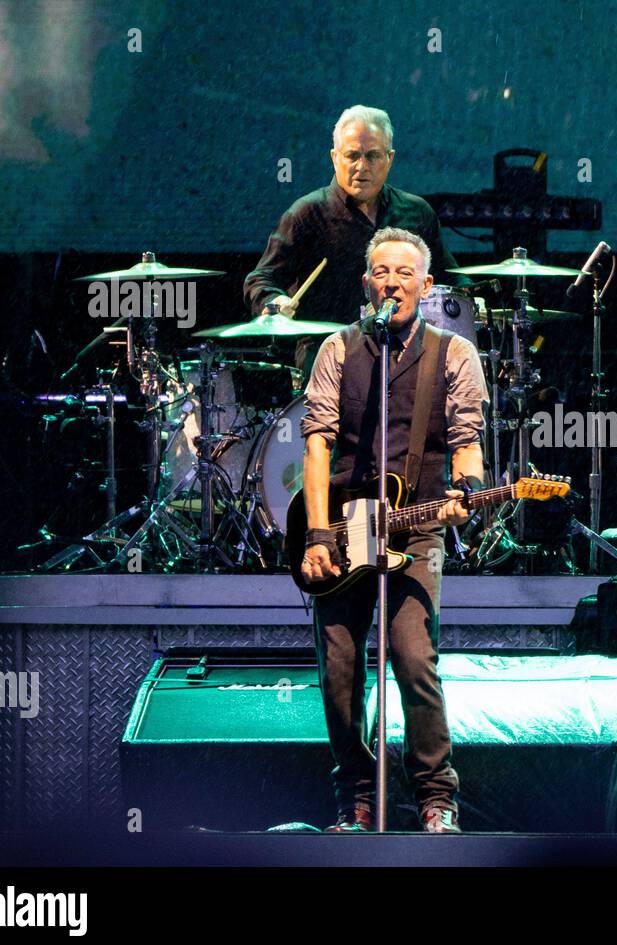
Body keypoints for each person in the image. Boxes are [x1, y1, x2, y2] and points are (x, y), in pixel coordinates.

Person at [300, 227, 486, 834]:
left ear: (425, 286)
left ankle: (436, 797)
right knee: (339, 667)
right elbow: (318, 445)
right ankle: (355, 794)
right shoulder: (337, 349)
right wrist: (317, 535)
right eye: (381, 272)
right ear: (365, 282)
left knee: (412, 656)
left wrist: (463, 491)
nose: (392, 283)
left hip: (417, 526)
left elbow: (467, 442)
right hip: (345, 529)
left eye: (404, 274)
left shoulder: (453, 353)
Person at [244, 105, 465, 378]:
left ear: (390, 158)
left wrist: (474, 298)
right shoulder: (306, 214)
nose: (362, 167)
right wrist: (275, 301)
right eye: (352, 156)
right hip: (328, 359)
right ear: (335, 158)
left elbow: (448, 278)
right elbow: (261, 278)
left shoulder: (417, 212)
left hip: (406, 358)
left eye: (373, 156)